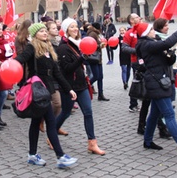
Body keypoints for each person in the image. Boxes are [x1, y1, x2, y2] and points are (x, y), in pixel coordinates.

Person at [15, 22, 78, 168]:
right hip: (38, 91)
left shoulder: (49, 48)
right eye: (41, 31)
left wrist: (69, 89)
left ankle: (32, 155)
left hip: (46, 89)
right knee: (50, 121)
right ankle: (60, 156)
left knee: (36, 123)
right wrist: (9, 64)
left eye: (45, 31)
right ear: (34, 34)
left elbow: (57, 73)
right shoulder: (32, 47)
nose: (44, 33)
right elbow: (21, 58)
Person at [135, 22, 177, 155]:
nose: (153, 31)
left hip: (158, 81)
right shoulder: (147, 44)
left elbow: (166, 53)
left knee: (154, 115)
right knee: (169, 114)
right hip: (157, 83)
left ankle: (147, 141)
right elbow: (166, 43)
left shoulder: (150, 42)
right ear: (146, 33)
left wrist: (170, 55)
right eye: (151, 29)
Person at [56, 17, 106, 155]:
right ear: (66, 30)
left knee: (88, 112)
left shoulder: (78, 44)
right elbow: (67, 69)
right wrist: (82, 58)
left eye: (76, 26)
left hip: (81, 85)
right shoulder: (63, 48)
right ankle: (52, 133)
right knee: (65, 112)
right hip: (69, 87)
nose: (75, 29)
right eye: (71, 27)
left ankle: (92, 143)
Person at [121, 13, 142, 114]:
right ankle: (133, 104)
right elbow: (124, 48)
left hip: (147, 60)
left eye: (138, 16)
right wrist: (137, 51)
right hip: (136, 62)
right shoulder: (129, 33)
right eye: (136, 17)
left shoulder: (144, 31)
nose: (139, 18)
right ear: (131, 21)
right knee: (137, 82)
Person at [87, 22, 109, 101]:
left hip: (98, 58)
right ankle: (86, 85)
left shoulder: (96, 33)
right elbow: (89, 44)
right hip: (94, 58)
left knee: (100, 77)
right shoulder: (92, 34)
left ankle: (101, 94)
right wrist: (99, 45)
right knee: (96, 76)